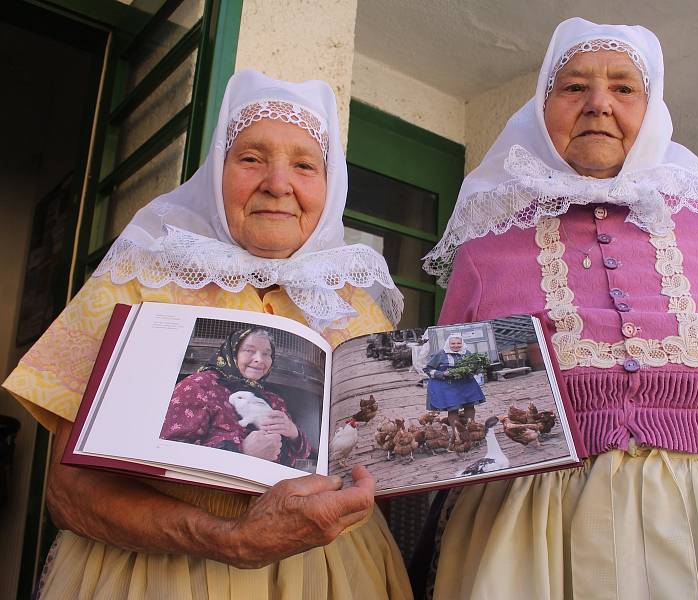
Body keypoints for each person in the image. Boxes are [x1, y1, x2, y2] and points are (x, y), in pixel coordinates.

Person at [419, 18, 698, 599]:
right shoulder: (487, 244)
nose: (598, 104)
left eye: (623, 88)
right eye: (573, 87)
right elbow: (448, 407)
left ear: (652, 111)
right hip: (532, 543)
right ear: (542, 109)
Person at [3, 70, 412, 599]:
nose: (278, 183)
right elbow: (68, 491)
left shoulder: (354, 305)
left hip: (330, 577)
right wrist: (231, 538)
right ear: (215, 172)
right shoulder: (141, 277)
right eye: (251, 158)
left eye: (305, 165)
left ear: (331, 190)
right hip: (157, 576)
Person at [161, 327, 311, 468]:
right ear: (232, 353)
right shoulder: (200, 385)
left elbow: (303, 453)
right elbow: (168, 449)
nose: (259, 359)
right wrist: (241, 450)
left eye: (266, 353)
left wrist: (294, 433)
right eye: (249, 350)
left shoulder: (272, 399)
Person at [423, 334, 486, 431]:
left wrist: (474, 370)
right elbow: (427, 369)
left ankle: (471, 428)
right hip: (448, 385)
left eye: (458, 343)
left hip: (465, 384)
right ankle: (456, 432)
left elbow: (475, 366)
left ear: (462, 343)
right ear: (448, 343)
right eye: (453, 343)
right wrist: (443, 373)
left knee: (469, 405)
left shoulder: (466, 353)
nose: (456, 345)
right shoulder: (440, 354)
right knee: (453, 408)